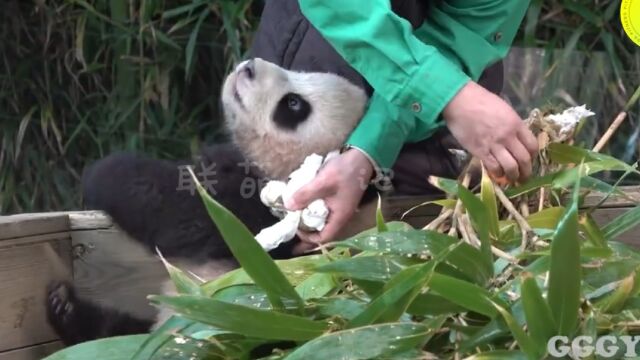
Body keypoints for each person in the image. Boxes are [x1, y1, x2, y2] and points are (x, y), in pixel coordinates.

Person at [249, 0, 538, 249]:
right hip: (312, 57)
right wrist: (447, 94)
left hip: (426, 132)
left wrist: (367, 153)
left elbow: (468, 27)